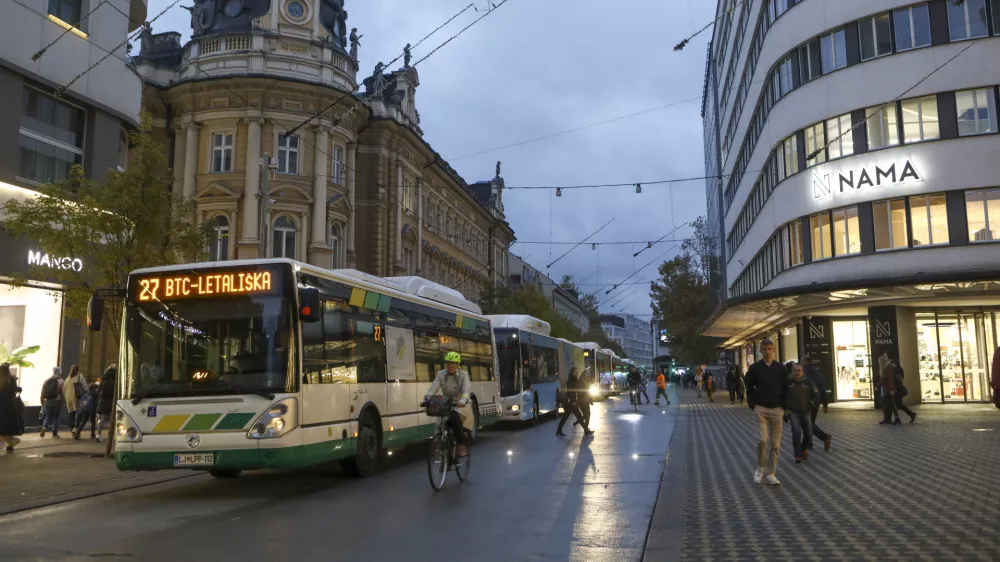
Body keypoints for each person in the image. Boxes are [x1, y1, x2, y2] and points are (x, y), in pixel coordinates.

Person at [745, 338, 787, 485]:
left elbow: (786, 387)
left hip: (777, 409)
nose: (767, 352)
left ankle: (771, 473)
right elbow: (748, 386)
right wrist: (753, 405)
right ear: (760, 351)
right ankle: (760, 467)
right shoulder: (755, 368)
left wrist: (783, 405)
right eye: (764, 349)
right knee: (762, 440)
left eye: (770, 349)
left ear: (773, 350)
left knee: (775, 443)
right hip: (761, 409)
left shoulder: (781, 368)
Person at [424, 352, 471, 457]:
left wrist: (462, 401)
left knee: (454, 418)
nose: (450, 366)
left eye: (453, 363)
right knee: (439, 422)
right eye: (448, 363)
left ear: (458, 364)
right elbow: (433, 388)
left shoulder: (464, 375)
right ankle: (440, 444)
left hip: (461, 403)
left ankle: (461, 443)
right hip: (447, 401)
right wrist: (427, 399)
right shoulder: (441, 374)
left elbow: (466, 391)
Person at [786, 364, 818, 464]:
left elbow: (816, 395)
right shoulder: (787, 383)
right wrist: (785, 411)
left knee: (808, 434)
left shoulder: (809, 382)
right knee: (796, 432)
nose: (797, 372)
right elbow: (781, 396)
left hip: (805, 411)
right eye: (795, 370)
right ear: (792, 372)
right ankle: (798, 455)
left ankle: (803, 448)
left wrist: (812, 403)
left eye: (799, 370)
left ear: (803, 372)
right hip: (792, 412)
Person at [801, 355, 832, 451]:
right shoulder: (818, 374)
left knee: (807, 423)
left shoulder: (802, 373)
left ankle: (824, 437)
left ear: (804, 361)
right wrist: (825, 404)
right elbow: (823, 389)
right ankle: (808, 444)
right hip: (816, 402)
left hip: (805, 402)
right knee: (811, 422)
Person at [557, 367, 594, 437]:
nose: (577, 373)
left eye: (577, 372)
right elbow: (571, 392)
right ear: (572, 372)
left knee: (566, 417)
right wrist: (573, 401)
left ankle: (559, 430)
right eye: (576, 372)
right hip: (571, 402)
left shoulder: (574, 380)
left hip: (571, 402)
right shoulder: (570, 381)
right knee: (578, 417)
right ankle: (586, 431)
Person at [0, 363, 24, 452]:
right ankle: (12, 443)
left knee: (3, 429)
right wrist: (19, 389)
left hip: (1, 407)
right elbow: (15, 389)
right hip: (9, 407)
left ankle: (11, 443)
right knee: (6, 429)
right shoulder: (11, 379)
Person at [39, 367, 64, 438]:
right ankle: (55, 434)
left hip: (47, 401)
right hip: (57, 401)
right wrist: (64, 400)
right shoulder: (61, 381)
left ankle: (44, 427)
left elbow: (42, 392)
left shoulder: (46, 381)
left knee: (48, 416)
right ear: (60, 372)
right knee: (56, 417)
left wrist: (42, 402)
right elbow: (62, 392)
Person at [64, 365, 87, 438]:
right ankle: (76, 430)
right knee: (79, 415)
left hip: (68, 399)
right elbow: (85, 386)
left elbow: (64, 389)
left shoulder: (67, 378)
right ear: (77, 370)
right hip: (77, 398)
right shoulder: (79, 376)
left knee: (71, 415)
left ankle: (72, 432)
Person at [95, 365, 116, 443]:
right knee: (113, 418)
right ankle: (112, 436)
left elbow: (99, 390)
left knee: (103, 418)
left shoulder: (103, 379)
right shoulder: (115, 380)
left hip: (103, 400)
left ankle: (98, 434)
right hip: (112, 400)